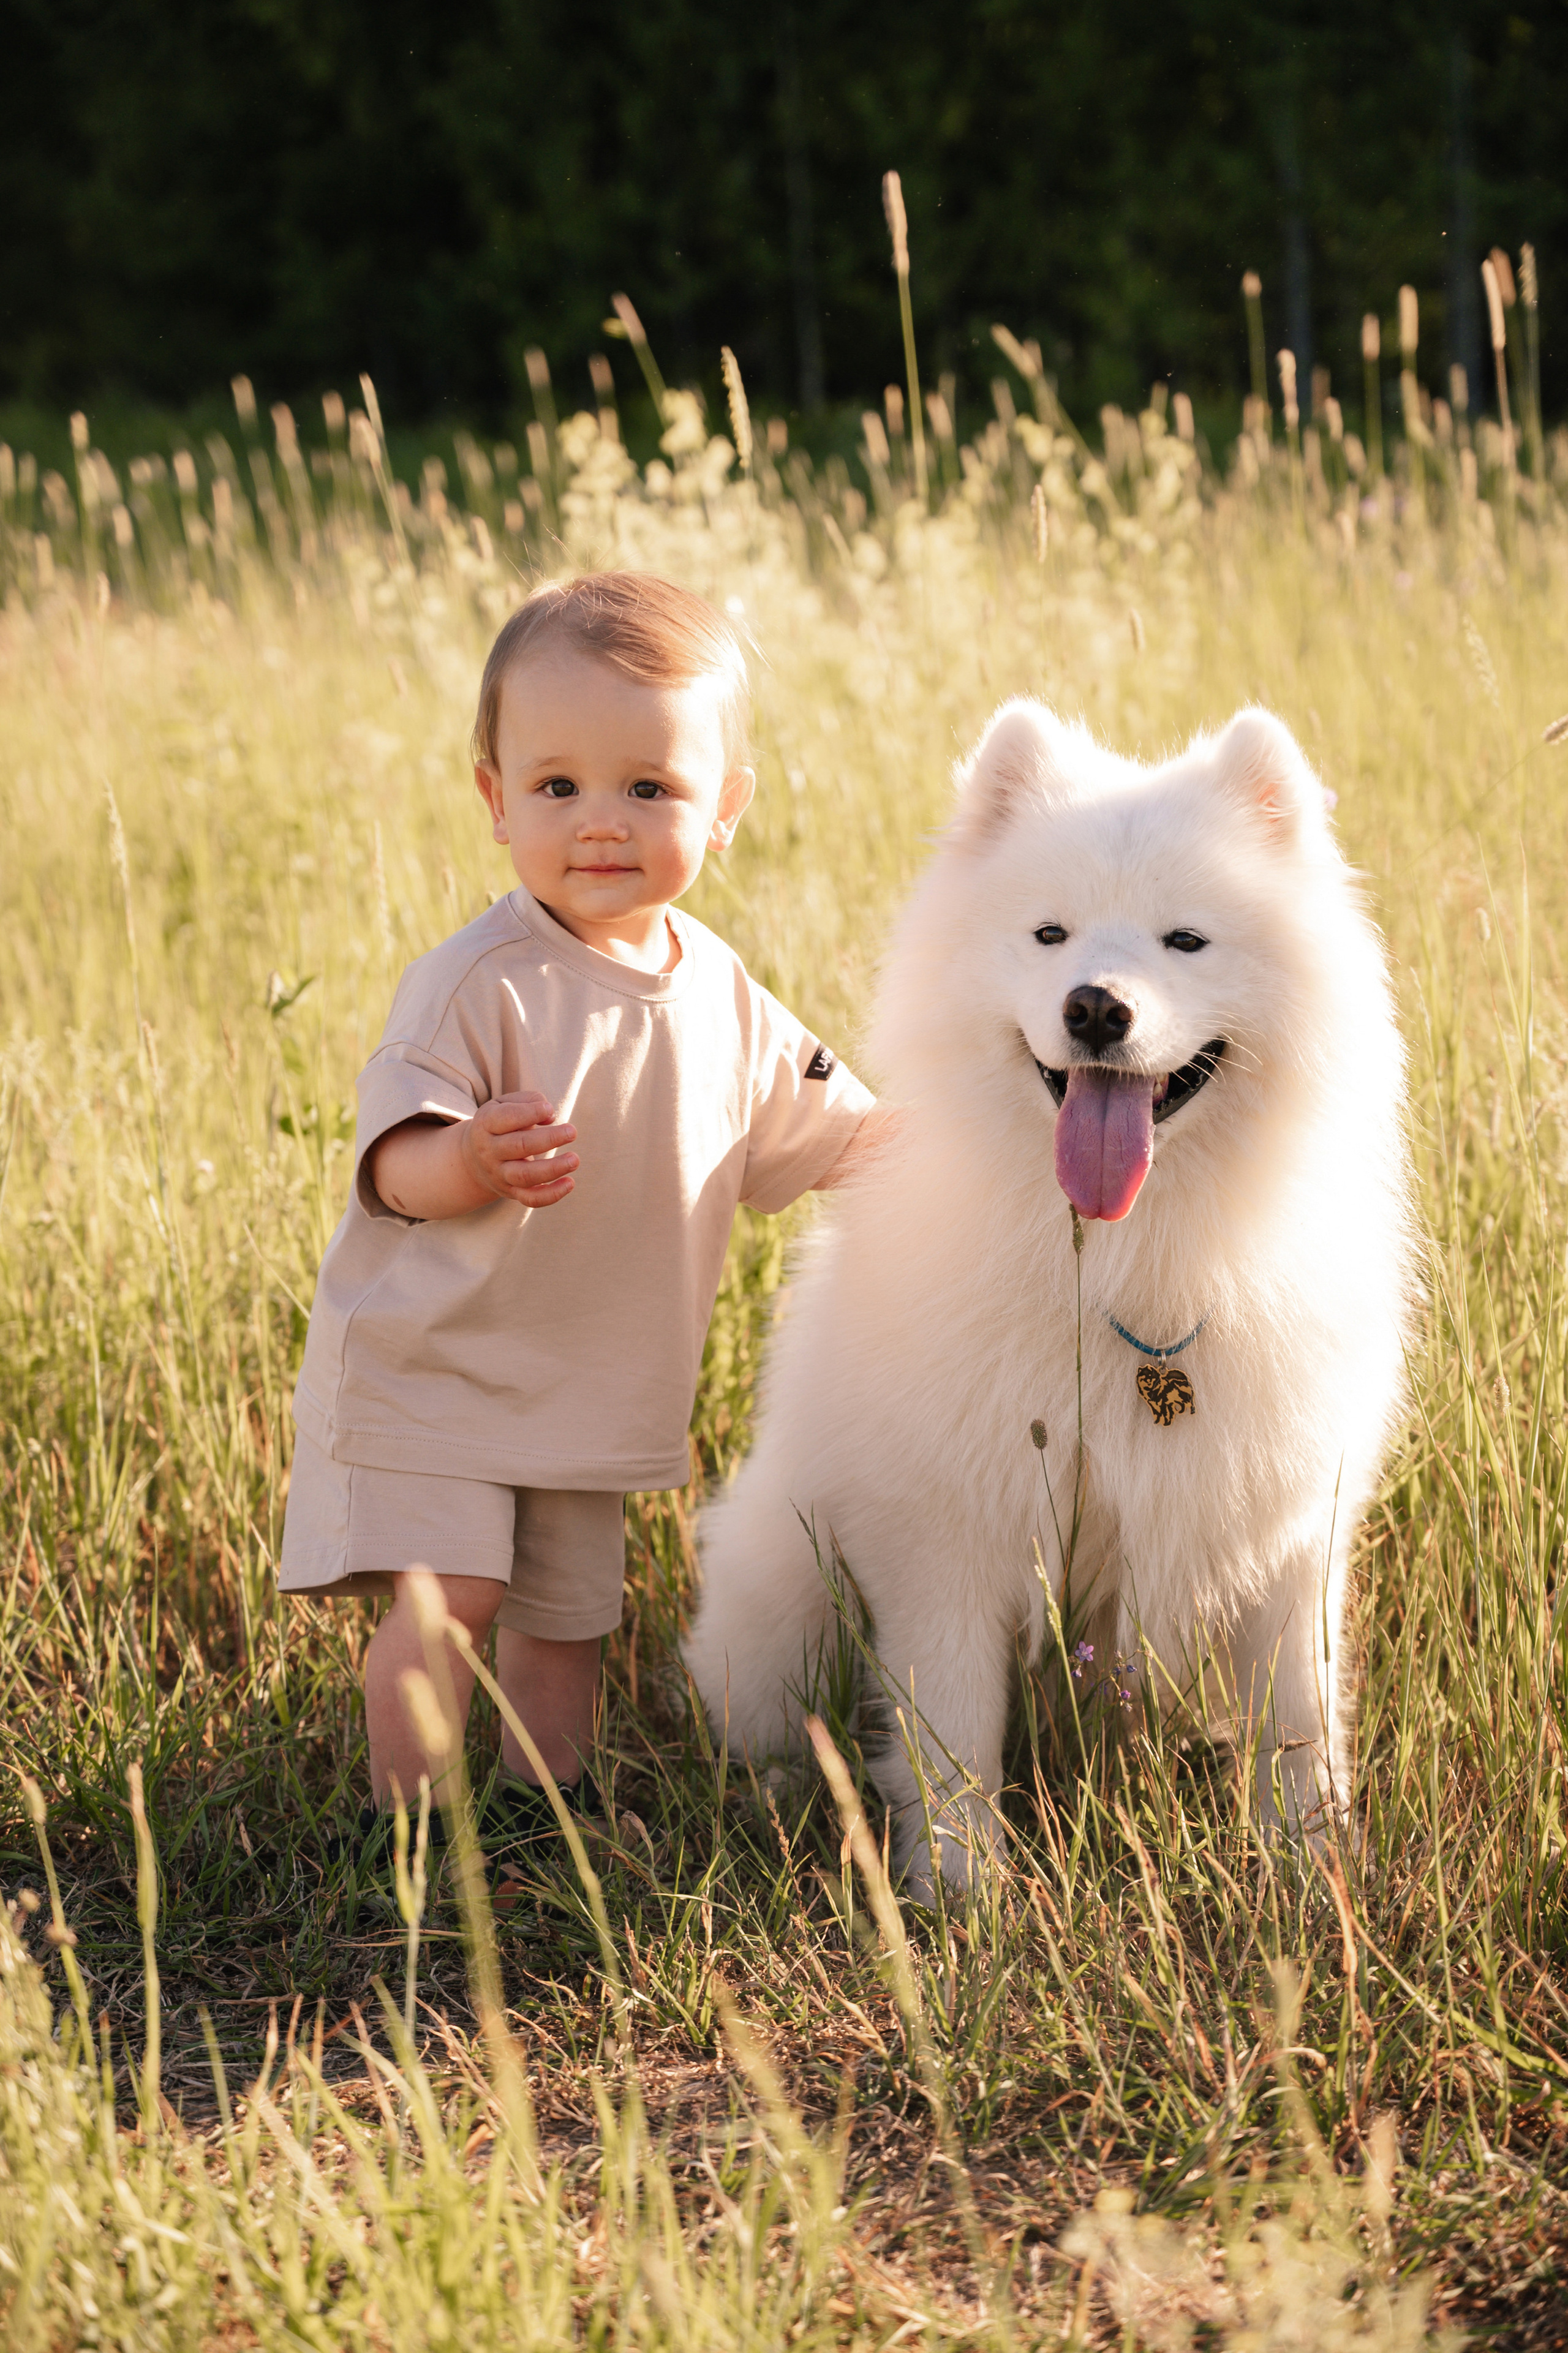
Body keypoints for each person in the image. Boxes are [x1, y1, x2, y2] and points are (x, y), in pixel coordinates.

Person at [277, 570, 880, 1858]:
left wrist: (984, 1145)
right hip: (438, 1359)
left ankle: (545, 1806)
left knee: (565, 1615)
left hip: (590, 1386)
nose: (599, 823)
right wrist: (473, 1158)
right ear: (495, 800)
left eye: (648, 787)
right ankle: (410, 1833)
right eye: (556, 787)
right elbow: (394, 1169)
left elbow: (844, 1136)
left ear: (722, 811)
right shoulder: (474, 983)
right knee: (458, 1597)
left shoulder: (723, 994)